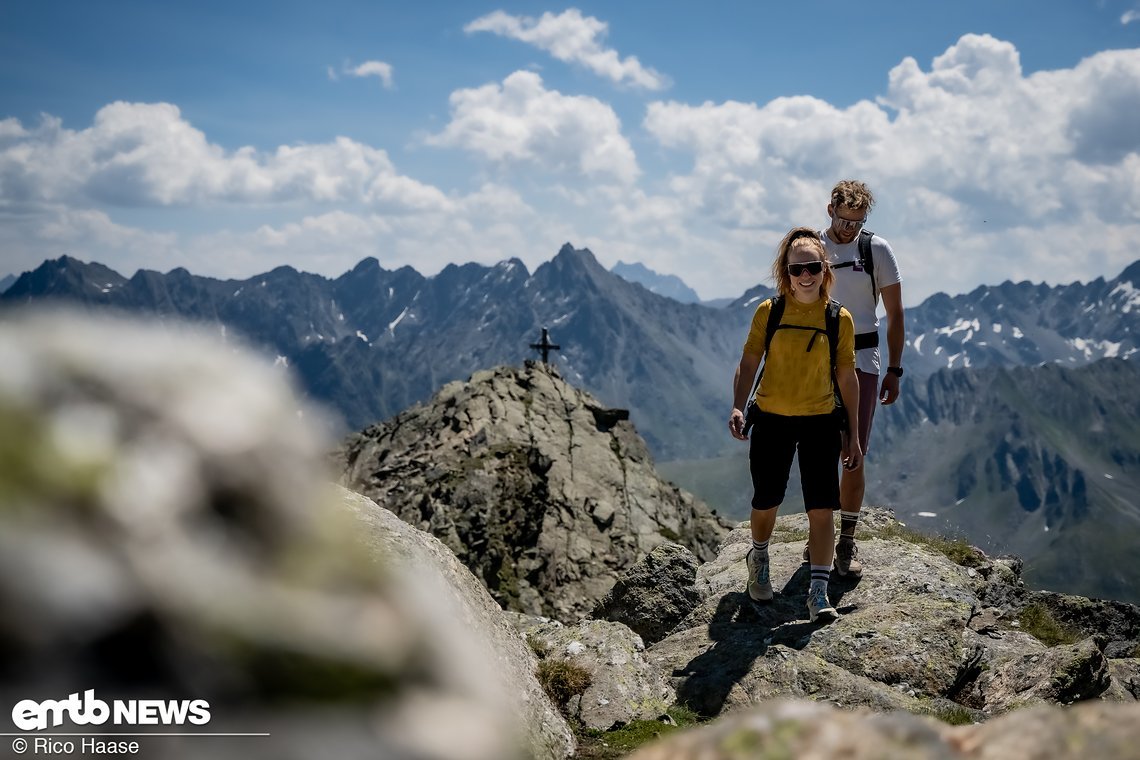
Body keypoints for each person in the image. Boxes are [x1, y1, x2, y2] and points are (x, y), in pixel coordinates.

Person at [729, 227, 862, 623]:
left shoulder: (839, 318)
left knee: (821, 510)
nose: (805, 276)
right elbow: (749, 361)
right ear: (785, 273)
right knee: (765, 501)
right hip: (771, 420)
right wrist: (738, 406)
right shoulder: (769, 312)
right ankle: (760, 557)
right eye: (796, 269)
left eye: (813, 268)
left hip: (821, 422)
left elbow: (847, 377)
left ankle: (818, 593)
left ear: (826, 269)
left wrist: (852, 435)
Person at [816, 180, 905, 578]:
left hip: (862, 359)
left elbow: (896, 313)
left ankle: (847, 540)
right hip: (815, 359)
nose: (849, 229)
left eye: (857, 222)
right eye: (842, 220)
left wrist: (895, 369)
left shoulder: (877, 250)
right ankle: (819, 535)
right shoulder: (811, 249)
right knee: (817, 452)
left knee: (853, 453)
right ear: (829, 210)